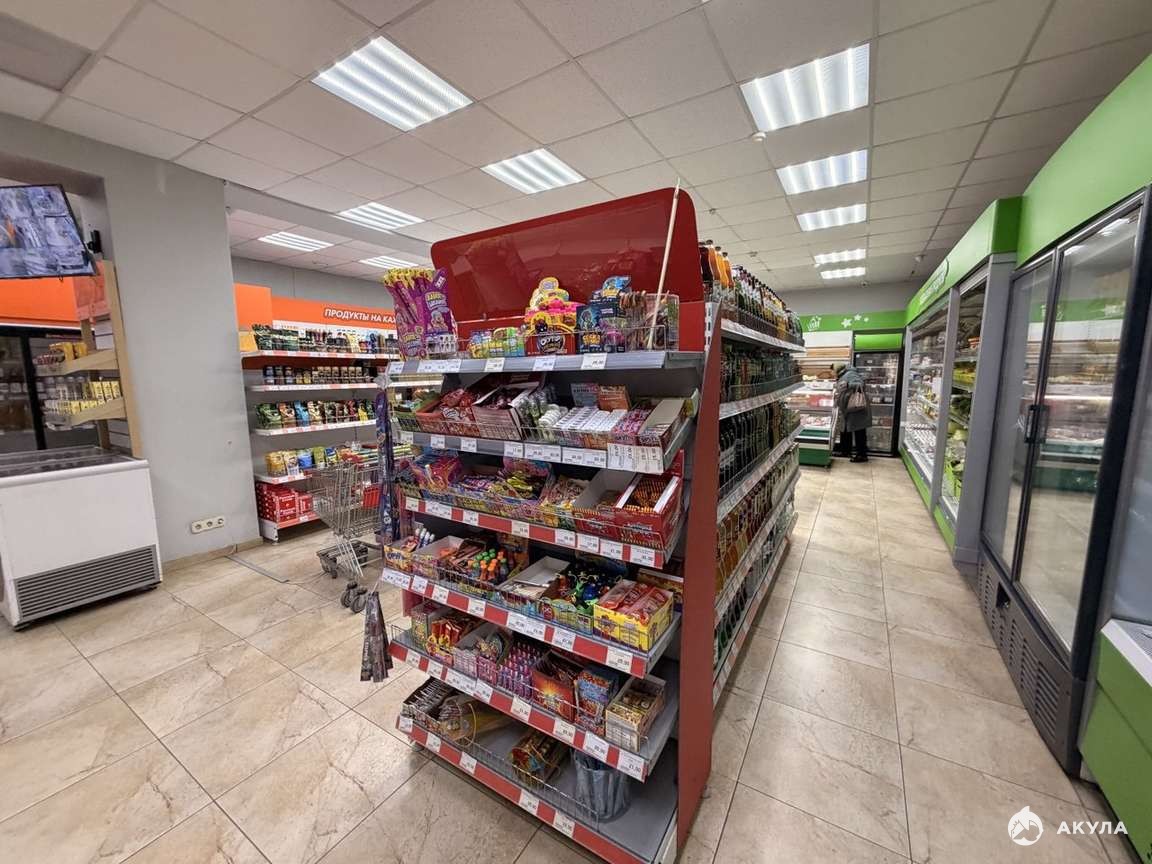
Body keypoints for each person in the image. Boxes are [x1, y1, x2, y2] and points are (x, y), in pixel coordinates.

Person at [835, 364, 873, 462]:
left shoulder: (850, 373)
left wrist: (848, 385)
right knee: (846, 429)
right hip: (850, 409)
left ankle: (862, 455)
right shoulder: (845, 374)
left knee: (859, 431)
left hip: (856, 408)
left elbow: (860, 384)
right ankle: (845, 451)